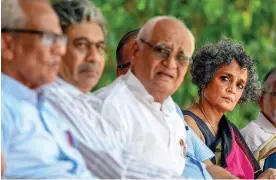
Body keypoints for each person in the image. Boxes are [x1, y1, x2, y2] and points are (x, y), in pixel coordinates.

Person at [44, 1, 183, 178]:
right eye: (81, 45)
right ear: (56, 49)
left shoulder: (85, 103)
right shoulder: (53, 98)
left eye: (99, 47)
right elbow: (117, 168)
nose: (93, 57)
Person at [95, 16, 239, 179]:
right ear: (136, 51)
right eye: (162, 50)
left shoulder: (171, 112)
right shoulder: (110, 107)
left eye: (181, 57)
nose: (170, 63)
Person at [1, 0, 93, 178]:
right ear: (7, 45)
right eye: (48, 38)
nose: (60, 50)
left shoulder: (43, 103)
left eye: (60, 39)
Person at [183, 39, 276, 179]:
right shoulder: (186, 123)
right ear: (205, 76)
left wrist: (270, 175)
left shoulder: (230, 130)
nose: (232, 89)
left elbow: (256, 174)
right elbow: (205, 172)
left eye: (240, 85)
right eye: (225, 78)